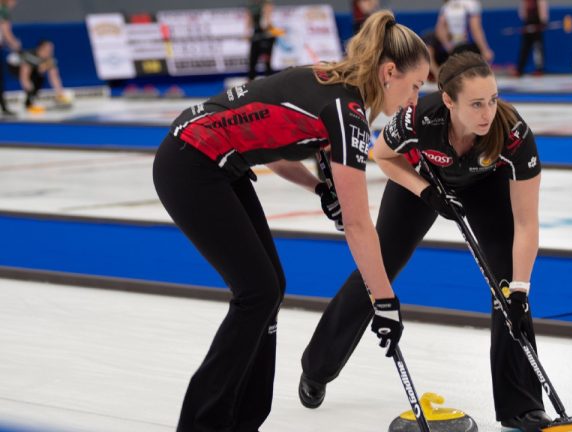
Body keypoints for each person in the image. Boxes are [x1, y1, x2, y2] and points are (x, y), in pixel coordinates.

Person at [153, 10, 429, 432]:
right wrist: (384, 300)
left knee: (269, 288)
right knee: (257, 293)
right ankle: (202, 425)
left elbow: (273, 143)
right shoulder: (348, 112)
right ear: (389, 72)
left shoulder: (332, 82)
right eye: (415, 87)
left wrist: (319, 189)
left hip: (216, 162)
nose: (413, 101)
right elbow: (357, 223)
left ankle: (244, 420)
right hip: (190, 162)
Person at [300, 51, 551, 431]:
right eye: (477, 104)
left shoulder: (513, 133)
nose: (488, 113)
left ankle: (522, 406)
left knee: (506, 280)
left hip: (485, 186)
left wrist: (519, 290)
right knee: (379, 266)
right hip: (423, 180)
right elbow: (382, 155)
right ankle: (317, 367)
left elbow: (526, 224)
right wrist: (426, 193)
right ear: (449, 101)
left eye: (494, 100)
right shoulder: (420, 116)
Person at [12, 40, 67, 112]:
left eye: (51, 50)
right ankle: (29, 101)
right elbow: (24, 76)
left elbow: (54, 77)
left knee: (41, 77)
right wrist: (29, 93)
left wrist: (60, 93)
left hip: (34, 71)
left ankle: (31, 99)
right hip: (15, 67)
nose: (50, 52)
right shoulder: (30, 56)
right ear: (41, 48)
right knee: (30, 84)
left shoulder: (50, 59)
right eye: (48, 49)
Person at [434, 0, 494, 64]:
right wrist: (484, 50)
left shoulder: (447, 5)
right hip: (467, 48)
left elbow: (439, 30)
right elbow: (475, 28)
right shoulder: (472, 4)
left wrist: (448, 47)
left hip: (452, 50)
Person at [515, 0, 548, 77]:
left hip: (537, 22)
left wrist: (543, 21)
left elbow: (542, 6)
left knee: (537, 47)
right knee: (525, 47)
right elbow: (523, 8)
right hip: (528, 22)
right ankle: (520, 69)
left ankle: (539, 69)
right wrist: (525, 19)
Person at [246, 0, 277, 79]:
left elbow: (267, 22)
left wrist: (269, 29)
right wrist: (247, 32)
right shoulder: (251, 6)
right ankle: (251, 82)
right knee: (253, 61)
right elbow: (249, 21)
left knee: (266, 61)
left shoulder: (267, 4)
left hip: (267, 37)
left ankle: (270, 81)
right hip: (257, 35)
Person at [0, 0, 20, 116]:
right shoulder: (3, 10)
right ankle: (4, 107)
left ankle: (4, 106)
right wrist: (15, 45)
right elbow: (6, 32)